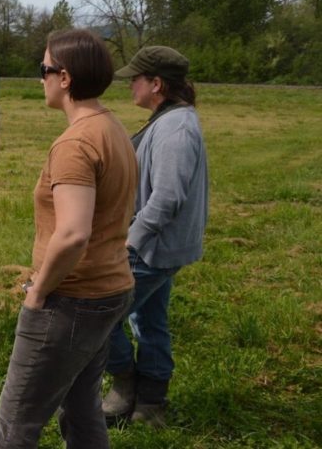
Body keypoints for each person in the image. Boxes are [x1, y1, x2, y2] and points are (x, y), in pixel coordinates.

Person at [0, 29, 136, 449]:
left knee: (15, 420)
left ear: (65, 78)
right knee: (81, 405)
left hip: (72, 299)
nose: (41, 79)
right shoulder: (112, 127)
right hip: (110, 289)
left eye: (44, 70)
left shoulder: (75, 143)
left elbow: (73, 233)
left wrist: (38, 292)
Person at [101, 46, 209, 428]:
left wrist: (131, 239)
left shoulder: (175, 129)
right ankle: (151, 401)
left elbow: (167, 197)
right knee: (150, 319)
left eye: (136, 79)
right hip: (157, 246)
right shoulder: (168, 120)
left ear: (157, 84)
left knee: (102, 315)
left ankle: (124, 385)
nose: (131, 86)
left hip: (151, 248)